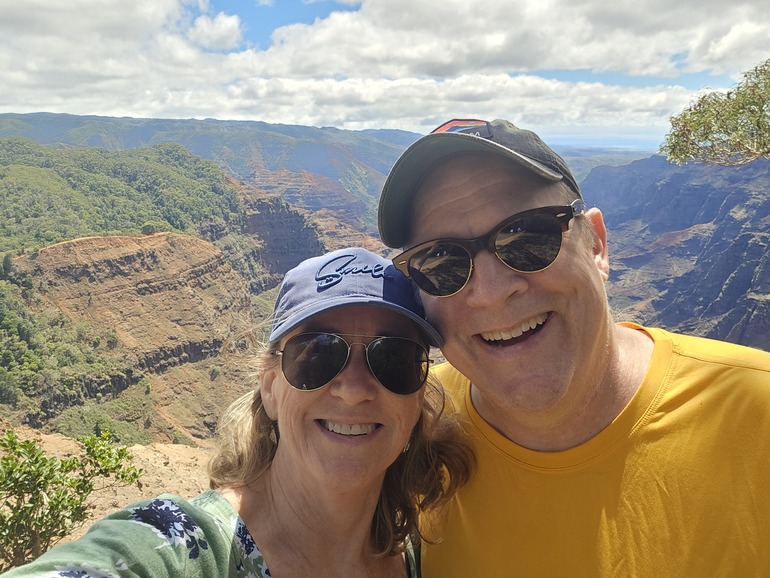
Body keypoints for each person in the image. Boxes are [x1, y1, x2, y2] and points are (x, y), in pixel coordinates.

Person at [377, 118, 770, 576]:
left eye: (527, 237)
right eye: (440, 261)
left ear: (597, 244)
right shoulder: (409, 427)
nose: (490, 292)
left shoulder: (754, 415)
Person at [4, 247, 474, 577]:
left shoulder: (419, 554)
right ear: (270, 386)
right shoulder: (184, 547)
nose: (353, 390)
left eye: (392, 358)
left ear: (418, 399)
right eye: (317, 354)